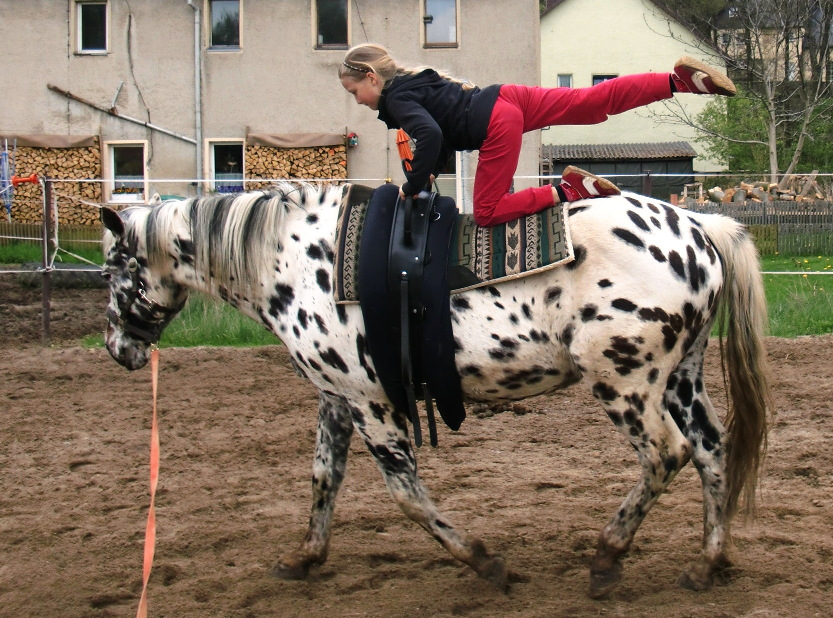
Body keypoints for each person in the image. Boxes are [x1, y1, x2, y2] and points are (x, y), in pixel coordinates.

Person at [339, 43, 737, 227]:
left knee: (489, 213)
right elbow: (440, 132)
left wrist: (411, 184)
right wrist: (430, 170)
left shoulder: (395, 98)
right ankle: (678, 81)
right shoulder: (413, 83)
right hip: (506, 97)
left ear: (371, 78)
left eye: (355, 91)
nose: (358, 101)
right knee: (591, 101)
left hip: (495, 123)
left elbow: (426, 132)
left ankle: (568, 191)